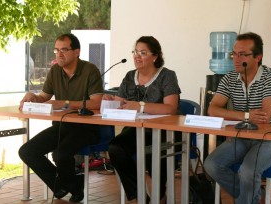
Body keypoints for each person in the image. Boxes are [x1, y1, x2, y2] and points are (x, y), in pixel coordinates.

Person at [203, 32, 271, 204]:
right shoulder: (229, 78)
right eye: (234, 53)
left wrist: (234, 118)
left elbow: (264, 118)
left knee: (248, 170)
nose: (235, 58)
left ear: (258, 57)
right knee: (211, 164)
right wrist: (246, 116)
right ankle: (254, 196)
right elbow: (212, 109)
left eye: (242, 54)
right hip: (242, 135)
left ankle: (250, 197)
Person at [18, 33, 103, 203]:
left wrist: (64, 103)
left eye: (64, 50)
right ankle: (65, 185)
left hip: (87, 128)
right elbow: (44, 96)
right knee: (27, 151)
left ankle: (70, 185)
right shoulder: (55, 70)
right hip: (62, 126)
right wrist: (33, 97)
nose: (59, 54)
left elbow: (96, 103)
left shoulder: (90, 70)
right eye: (56, 50)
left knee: (60, 154)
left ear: (77, 51)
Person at [104, 36, 181, 203]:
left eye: (143, 52)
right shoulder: (130, 76)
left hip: (163, 131)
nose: (137, 56)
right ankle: (139, 195)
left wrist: (141, 106)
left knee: (152, 152)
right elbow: (123, 102)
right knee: (116, 148)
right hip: (136, 130)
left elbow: (171, 108)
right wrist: (113, 101)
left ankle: (160, 195)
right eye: (135, 52)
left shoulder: (167, 76)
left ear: (155, 56)